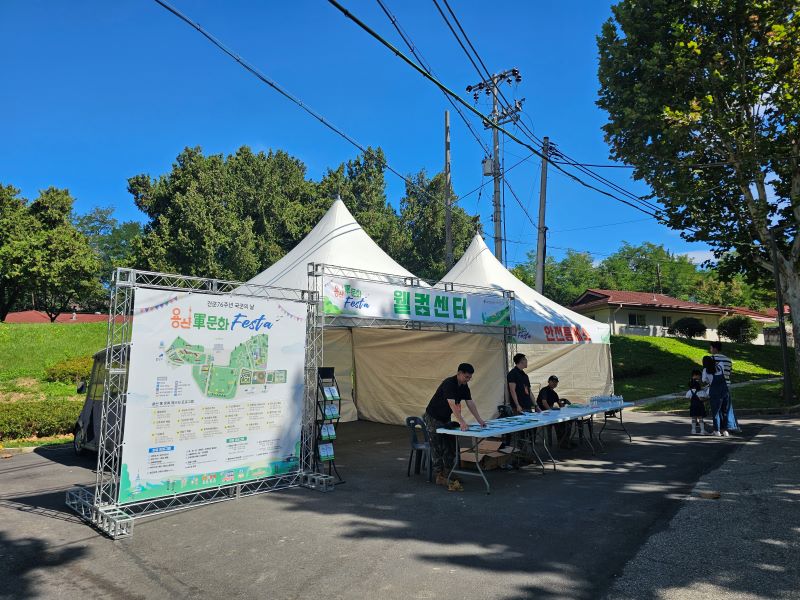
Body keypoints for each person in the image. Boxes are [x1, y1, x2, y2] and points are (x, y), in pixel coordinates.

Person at [423, 363, 487, 490]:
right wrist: (462, 422)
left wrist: (479, 419)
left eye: (470, 378)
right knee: (437, 445)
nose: (468, 380)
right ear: (459, 373)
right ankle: (439, 475)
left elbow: (470, 402)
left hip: (445, 418)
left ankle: (449, 471)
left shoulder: (463, 386)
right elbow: (452, 404)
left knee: (451, 443)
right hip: (433, 417)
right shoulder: (449, 383)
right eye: (466, 377)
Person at [536, 375, 575, 448]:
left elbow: (560, 405)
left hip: (551, 413)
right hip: (542, 414)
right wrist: (550, 410)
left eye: (556, 382)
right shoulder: (544, 390)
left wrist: (568, 404)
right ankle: (563, 442)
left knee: (568, 421)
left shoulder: (554, 393)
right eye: (553, 381)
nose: (554, 383)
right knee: (559, 423)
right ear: (548, 382)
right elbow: (544, 402)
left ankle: (565, 440)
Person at [710, 341, 740, 432]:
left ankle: (717, 429)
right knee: (725, 408)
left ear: (715, 348)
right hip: (726, 385)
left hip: (715, 385)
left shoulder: (711, 359)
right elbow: (729, 372)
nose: (710, 350)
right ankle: (726, 428)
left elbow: (709, 373)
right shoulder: (728, 359)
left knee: (716, 408)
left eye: (711, 348)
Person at [702, 355, 730, 437]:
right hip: (724, 391)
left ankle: (716, 431)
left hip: (714, 392)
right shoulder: (720, 366)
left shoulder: (705, 370)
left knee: (716, 412)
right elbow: (720, 361)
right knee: (724, 411)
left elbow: (704, 380)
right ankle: (725, 431)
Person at [686, 368, 709, 435]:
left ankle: (693, 430)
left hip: (692, 406)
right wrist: (708, 399)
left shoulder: (689, 392)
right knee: (700, 418)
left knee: (693, 418)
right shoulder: (701, 392)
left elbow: (688, 398)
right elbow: (702, 399)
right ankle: (702, 431)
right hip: (700, 406)